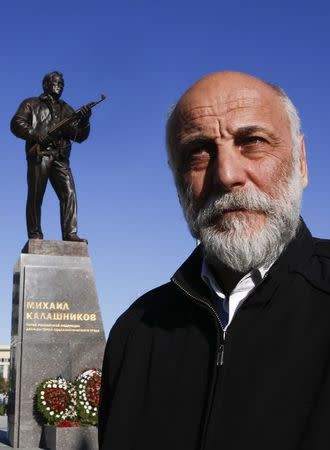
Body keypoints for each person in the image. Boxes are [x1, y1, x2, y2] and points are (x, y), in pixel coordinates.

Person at [99, 72, 330, 449]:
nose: (226, 175)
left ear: (301, 162)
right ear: (177, 181)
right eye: (198, 153)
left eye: (252, 142)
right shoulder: (135, 333)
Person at [11, 71, 91, 241]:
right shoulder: (31, 104)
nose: (60, 86)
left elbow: (80, 137)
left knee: (69, 193)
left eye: (62, 83)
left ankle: (70, 234)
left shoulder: (67, 109)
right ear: (46, 84)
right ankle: (35, 234)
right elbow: (16, 124)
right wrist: (35, 134)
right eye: (57, 82)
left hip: (61, 158)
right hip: (41, 155)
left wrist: (85, 121)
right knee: (36, 195)